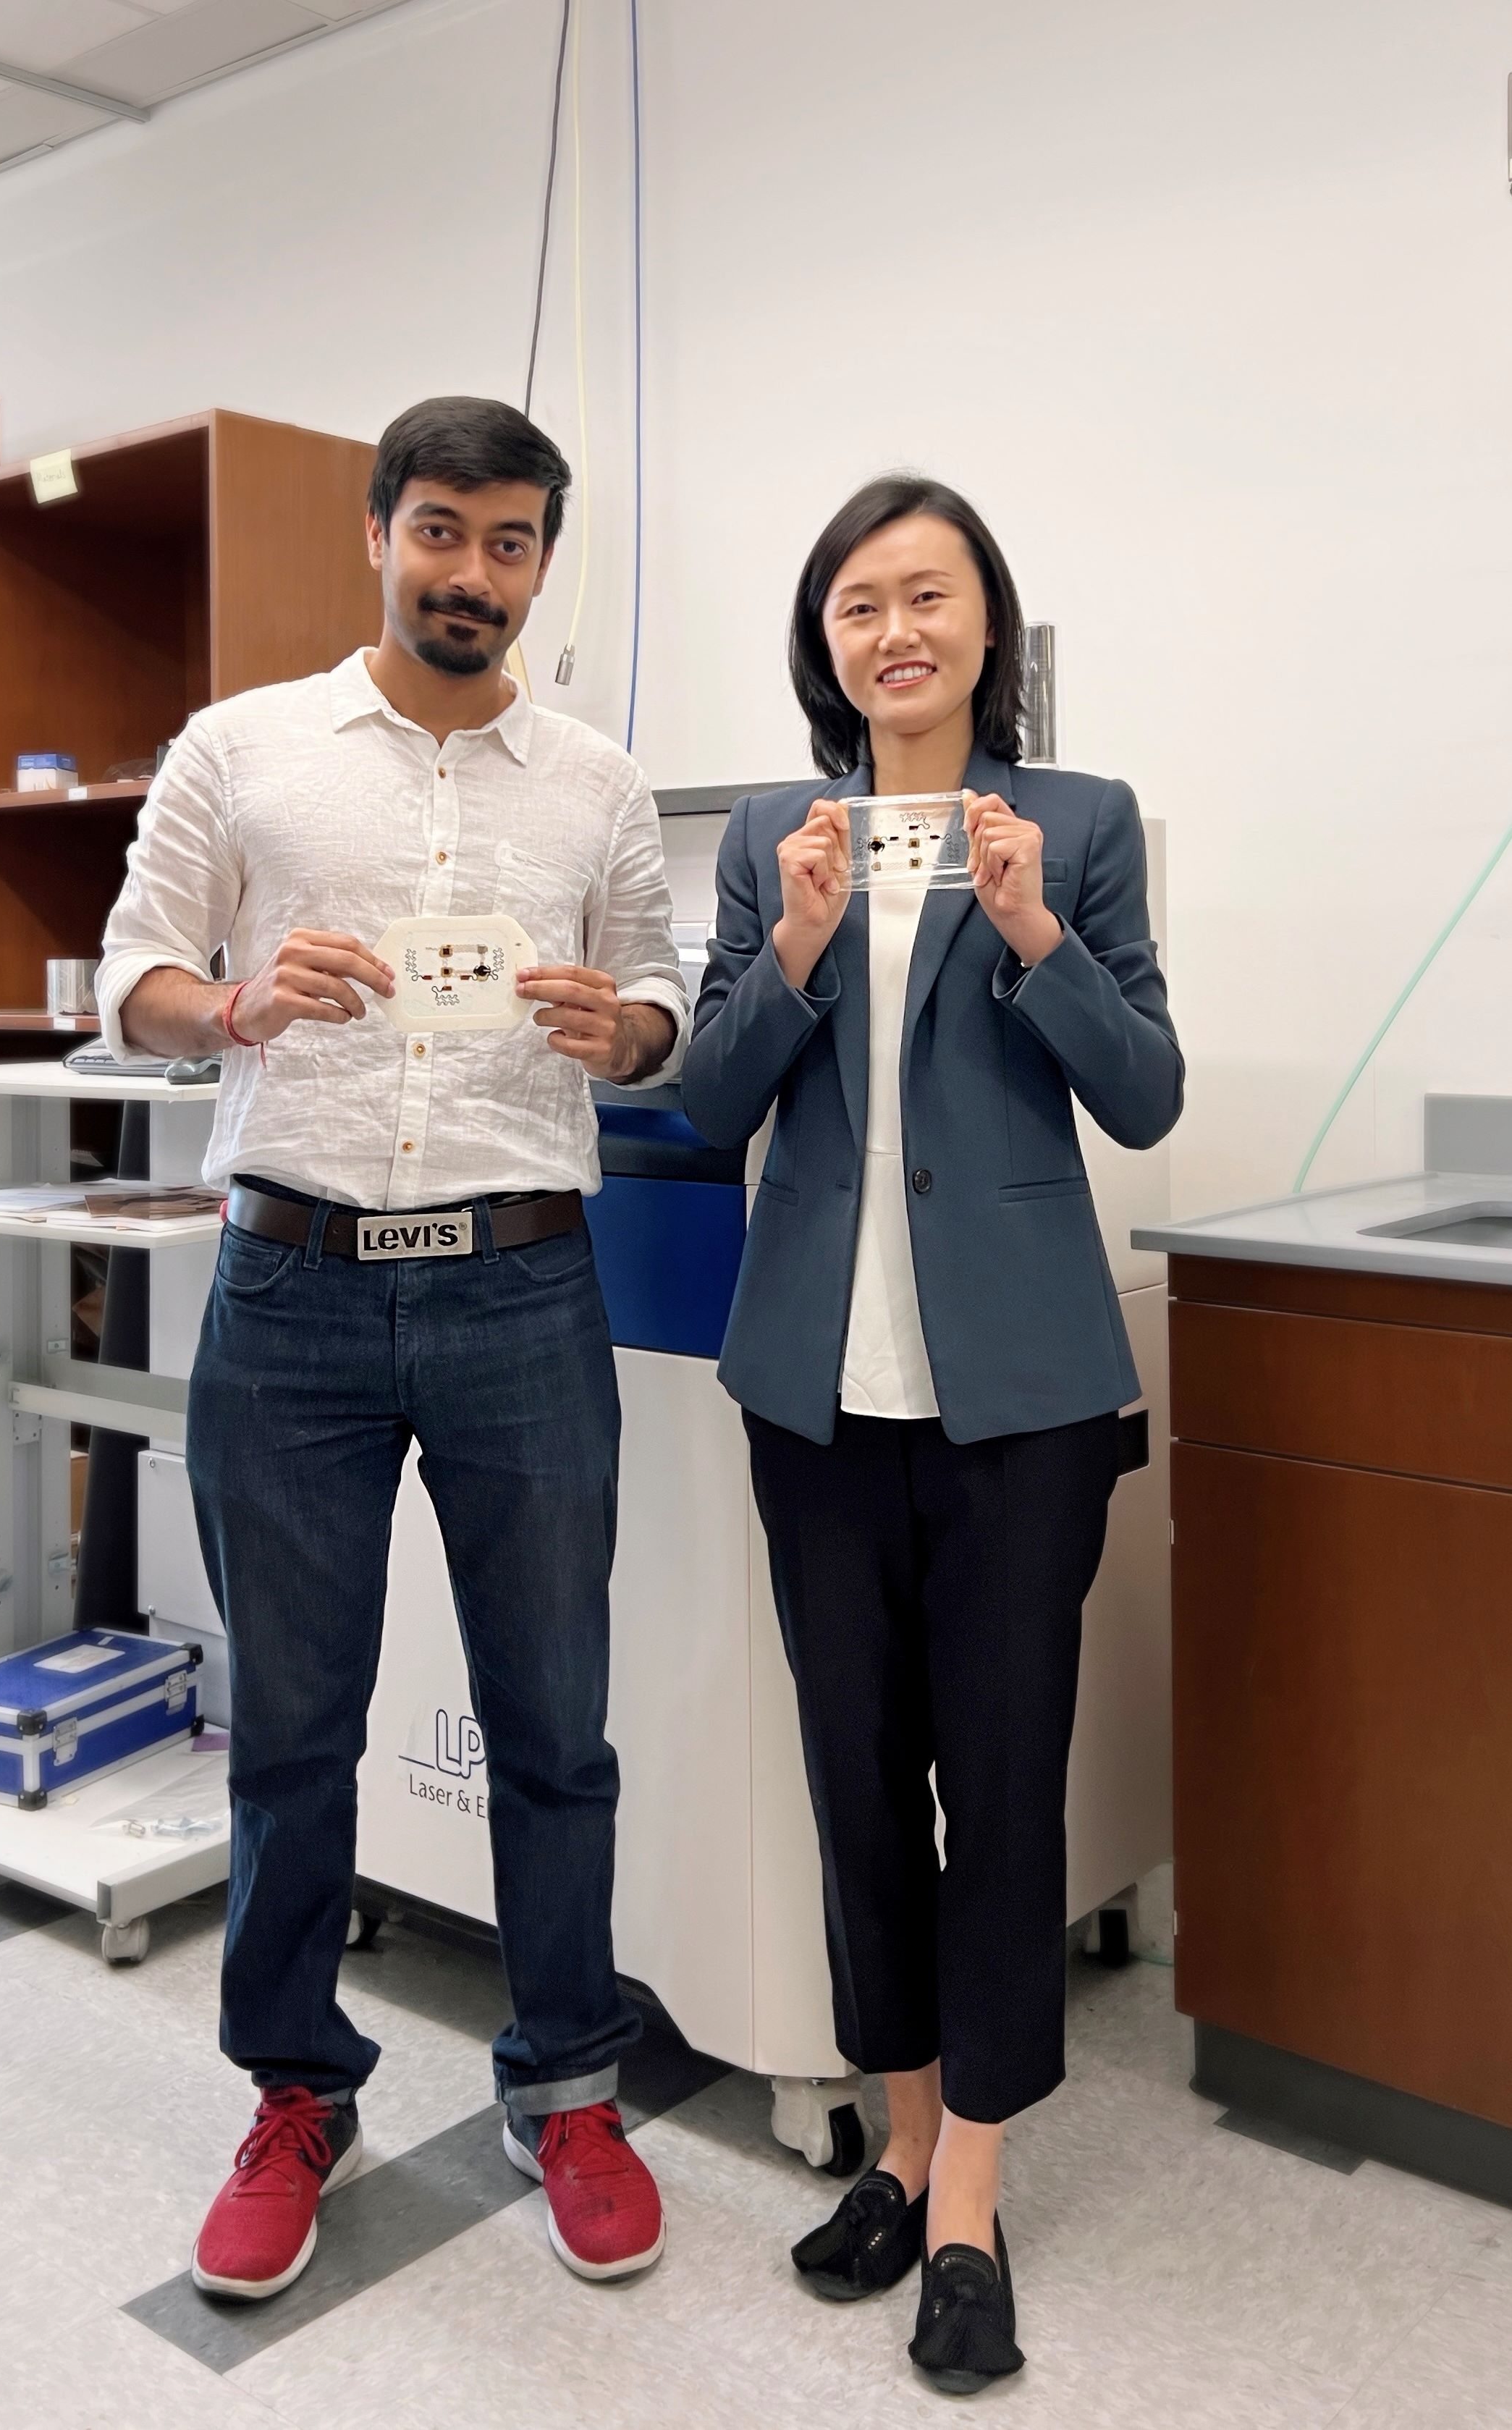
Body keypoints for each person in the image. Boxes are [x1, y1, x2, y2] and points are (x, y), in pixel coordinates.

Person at [96, 395, 687, 2300]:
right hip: (293, 1291)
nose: (473, 573)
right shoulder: (243, 752)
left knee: (554, 1726)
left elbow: (663, 985)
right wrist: (239, 1001)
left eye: (511, 543)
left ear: (540, 562)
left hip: (523, 1284)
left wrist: (637, 1034)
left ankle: (569, 2081)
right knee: (289, 1729)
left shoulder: (593, 782)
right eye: (443, 531)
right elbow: (135, 984)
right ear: (379, 534)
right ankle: (295, 2091)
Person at [682, 474, 1182, 2393]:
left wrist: (1038, 936)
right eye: (856, 604)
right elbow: (714, 1095)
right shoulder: (770, 837)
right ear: (824, 641)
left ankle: (967, 2189)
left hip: (1020, 1403)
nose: (893, 630)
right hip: (814, 1391)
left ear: (989, 627)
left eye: (928, 596)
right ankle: (896, 2137)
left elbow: (1142, 1096)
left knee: (1003, 1776)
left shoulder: (1075, 824)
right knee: (857, 1777)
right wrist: (798, 947)